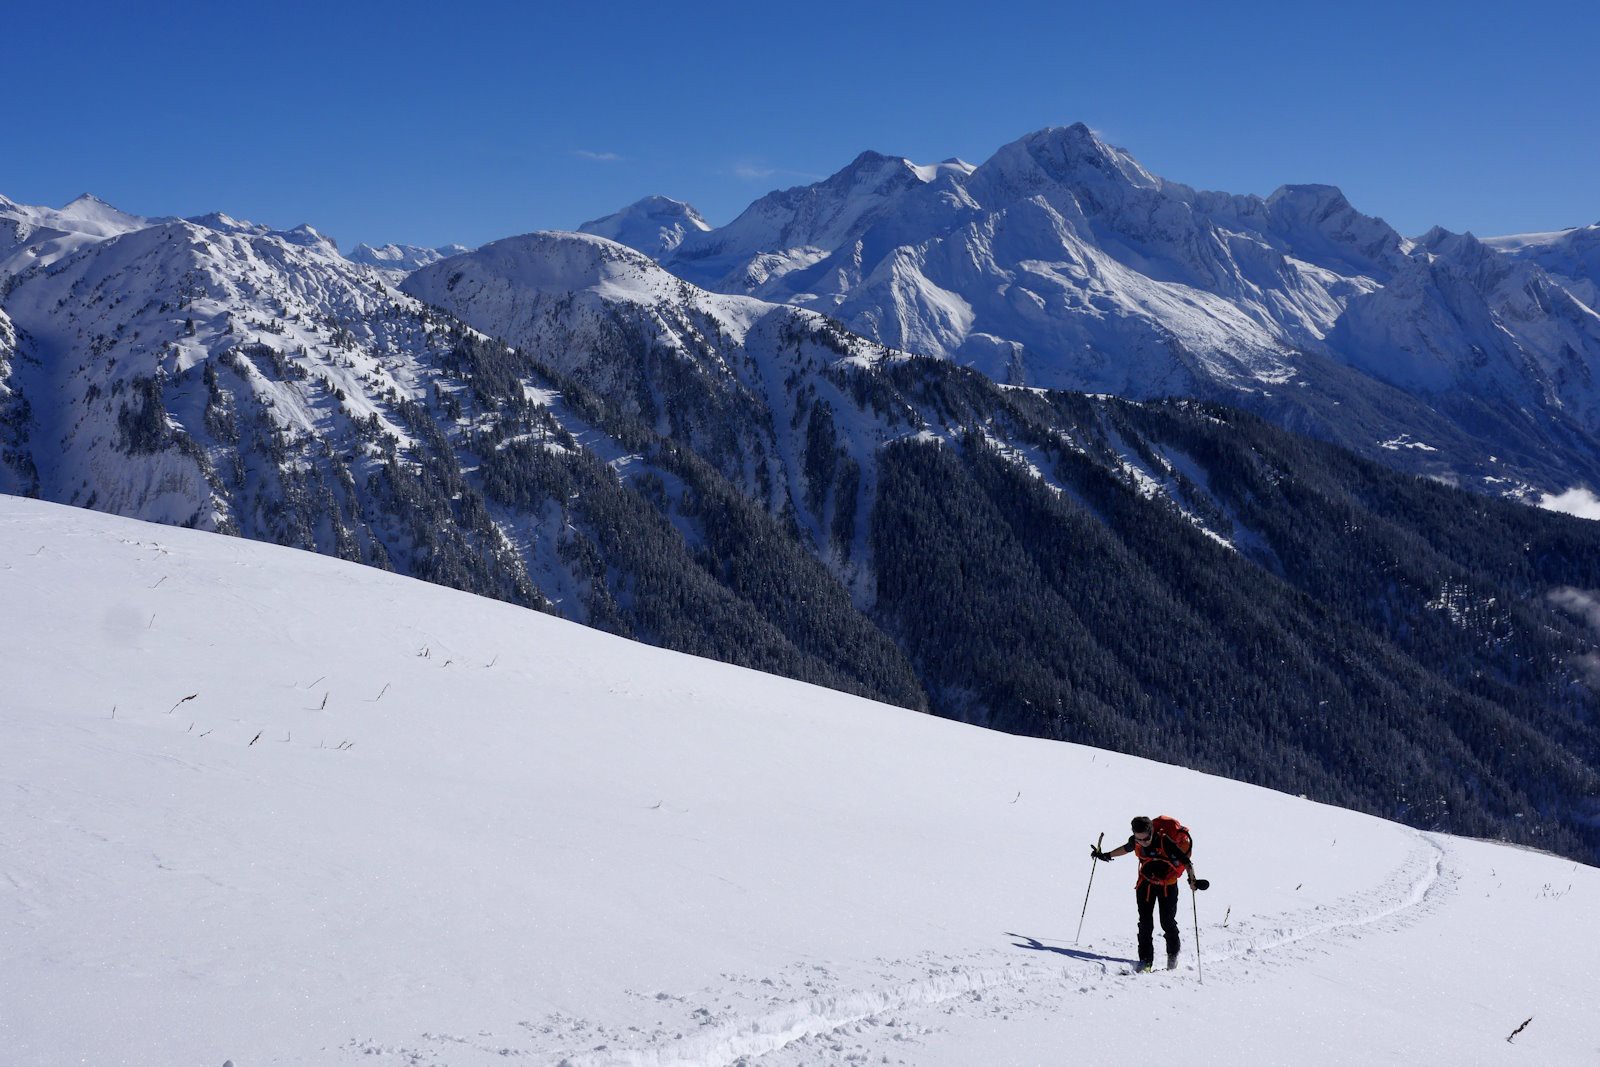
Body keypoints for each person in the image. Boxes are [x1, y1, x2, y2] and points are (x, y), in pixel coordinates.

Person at [1092, 815, 1208, 972]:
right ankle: (1146, 961)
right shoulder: (1136, 840)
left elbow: (1186, 862)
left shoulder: (1164, 841)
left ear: (1151, 832)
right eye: (1139, 839)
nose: (1143, 842)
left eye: (1145, 838)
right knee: (1145, 923)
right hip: (1145, 885)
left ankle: (1173, 955)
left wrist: (1192, 880)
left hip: (1168, 887)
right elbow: (1126, 848)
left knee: (1167, 922)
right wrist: (1106, 855)